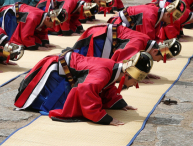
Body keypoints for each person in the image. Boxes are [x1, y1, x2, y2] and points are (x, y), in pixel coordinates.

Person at [15, 51, 153, 125]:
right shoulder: (103, 72)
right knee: (68, 106)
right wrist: (104, 118)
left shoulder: (113, 69)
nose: (134, 85)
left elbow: (106, 87)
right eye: (135, 81)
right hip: (54, 74)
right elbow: (86, 91)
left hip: (67, 70)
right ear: (126, 75)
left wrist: (118, 104)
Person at [72, 24, 182, 64]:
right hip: (99, 38)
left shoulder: (146, 40)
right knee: (86, 64)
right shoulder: (136, 46)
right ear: (154, 50)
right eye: (158, 58)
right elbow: (120, 64)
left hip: (104, 35)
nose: (157, 61)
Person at [0, 4, 67, 50]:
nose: (53, 27)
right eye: (53, 24)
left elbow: (42, 31)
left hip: (19, 13)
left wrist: (44, 42)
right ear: (48, 18)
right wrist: (36, 46)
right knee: (9, 44)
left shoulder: (44, 17)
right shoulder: (33, 18)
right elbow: (25, 35)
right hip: (9, 15)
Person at [109, 1, 186, 41]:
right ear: (168, 15)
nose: (170, 23)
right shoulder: (150, 16)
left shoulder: (157, 12)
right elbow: (147, 38)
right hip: (116, 28)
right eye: (173, 20)